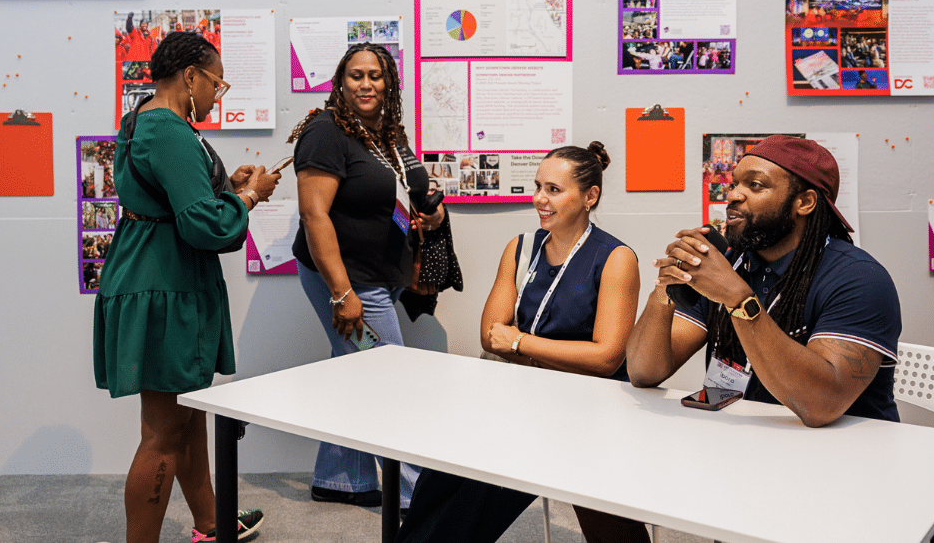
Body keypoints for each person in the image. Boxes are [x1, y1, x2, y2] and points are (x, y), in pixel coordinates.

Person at [396, 143, 651, 543]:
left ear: (590, 196)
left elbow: (605, 357)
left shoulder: (616, 258)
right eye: (537, 186)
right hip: (522, 399)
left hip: (583, 413)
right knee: (436, 482)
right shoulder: (521, 247)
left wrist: (520, 343)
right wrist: (525, 346)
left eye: (553, 189)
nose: (539, 199)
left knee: (473, 505)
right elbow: (490, 334)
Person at [93, 31, 282, 543]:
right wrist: (248, 198)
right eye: (216, 84)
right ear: (191, 75)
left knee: (187, 415)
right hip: (165, 287)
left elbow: (173, 196)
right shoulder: (172, 132)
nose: (215, 96)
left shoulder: (139, 121)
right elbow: (203, 225)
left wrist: (226, 185)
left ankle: (211, 523)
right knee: (162, 433)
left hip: (151, 278)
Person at [626, 135, 902, 428]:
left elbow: (822, 405)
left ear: (804, 202)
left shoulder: (859, 279)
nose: (732, 195)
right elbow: (644, 372)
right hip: (747, 444)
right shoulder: (730, 263)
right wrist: (666, 288)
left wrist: (738, 300)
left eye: (755, 185)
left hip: (846, 455)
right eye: (735, 184)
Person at [288, 43, 443, 509]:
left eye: (376, 75)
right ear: (340, 81)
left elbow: (406, 192)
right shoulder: (324, 132)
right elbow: (314, 215)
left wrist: (430, 217)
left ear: (389, 82)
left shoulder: (387, 131)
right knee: (389, 377)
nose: (366, 84)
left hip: (383, 272)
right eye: (356, 75)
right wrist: (342, 294)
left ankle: (342, 478)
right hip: (349, 279)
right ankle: (416, 494)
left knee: (356, 371)